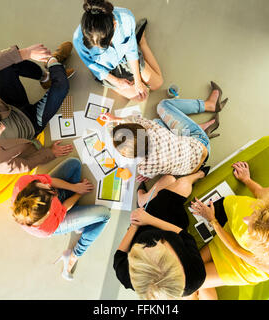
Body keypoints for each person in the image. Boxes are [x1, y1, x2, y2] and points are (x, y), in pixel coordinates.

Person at [189, 161, 269, 300]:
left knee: (189, 281)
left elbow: (235, 248)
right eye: (255, 213)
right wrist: (246, 179)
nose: (245, 219)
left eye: (252, 227)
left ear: (263, 246)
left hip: (241, 264)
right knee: (189, 271)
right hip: (231, 232)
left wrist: (213, 220)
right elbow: (258, 191)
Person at [0, 42, 76, 174]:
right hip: (32, 122)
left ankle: (46, 78)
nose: (3, 126)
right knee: (62, 86)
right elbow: (25, 165)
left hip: (9, 104)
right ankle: (54, 61)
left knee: (5, 65)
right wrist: (50, 153)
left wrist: (25, 53)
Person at [100, 81, 229, 182]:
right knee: (162, 106)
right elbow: (137, 120)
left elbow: (147, 174)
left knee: (159, 123)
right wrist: (116, 119)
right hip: (200, 146)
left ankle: (204, 123)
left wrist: (148, 175)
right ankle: (209, 106)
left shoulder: (143, 167)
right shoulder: (153, 131)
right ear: (139, 130)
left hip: (192, 168)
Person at [113, 170, 209, 300]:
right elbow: (184, 235)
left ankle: (143, 201)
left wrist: (135, 225)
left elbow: (119, 256)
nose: (148, 245)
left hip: (141, 226)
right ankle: (200, 174)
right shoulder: (196, 277)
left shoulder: (132, 276)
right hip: (172, 223)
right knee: (175, 182)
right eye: (162, 243)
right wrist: (151, 220)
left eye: (141, 252)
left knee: (168, 180)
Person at [12, 157, 111, 281]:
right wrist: (79, 193)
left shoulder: (24, 182)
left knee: (74, 163)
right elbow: (64, 208)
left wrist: (74, 187)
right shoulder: (45, 227)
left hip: (51, 207)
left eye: (43, 185)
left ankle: (80, 222)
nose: (49, 185)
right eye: (51, 193)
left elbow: (49, 180)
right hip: (57, 222)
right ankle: (74, 255)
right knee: (105, 215)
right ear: (48, 211)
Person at [73, 0, 163, 101]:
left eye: (104, 44)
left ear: (114, 25)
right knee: (139, 97)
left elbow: (131, 51)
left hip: (126, 57)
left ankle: (142, 42)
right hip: (107, 69)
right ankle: (138, 40)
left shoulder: (126, 18)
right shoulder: (78, 40)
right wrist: (116, 81)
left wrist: (138, 81)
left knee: (157, 84)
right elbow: (92, 65)